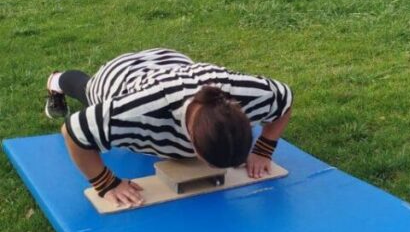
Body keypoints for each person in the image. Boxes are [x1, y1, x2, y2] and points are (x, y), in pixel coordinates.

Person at [44, 48, 293, 207]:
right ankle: (56, 80)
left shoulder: (246, 94)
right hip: (120, 78)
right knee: (85, 89)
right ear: (191, 141)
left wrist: (263, 149)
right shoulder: (137, 111)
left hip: (172, 61)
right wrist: (106, 183)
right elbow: (73, 132)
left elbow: (285, 100)